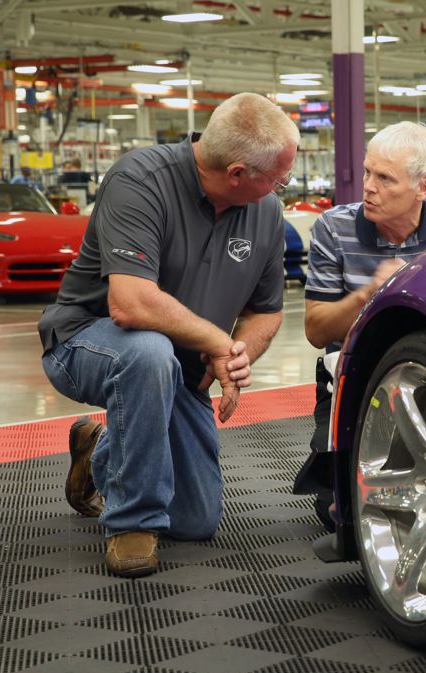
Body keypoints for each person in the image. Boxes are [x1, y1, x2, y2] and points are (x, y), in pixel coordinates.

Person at [37, 93, 300, 578]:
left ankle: (101, 450)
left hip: (179, 368)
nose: (281, 187)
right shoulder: (140, 180)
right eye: (278, 178)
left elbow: (266, 312)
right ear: (237, 173)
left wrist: (237, 355)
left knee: (195, 521)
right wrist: (216, 341)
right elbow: (131, 304)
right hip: (86, 341)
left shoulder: (266, 213)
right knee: (148, 352)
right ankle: (132, 523)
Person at [292, 121, 426, 529]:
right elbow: (317, 331)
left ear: (424, 187)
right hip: (351, 379)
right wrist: (371, 295)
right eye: (367, 172)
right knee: (338, 513)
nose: (368, 188)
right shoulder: (334, 228)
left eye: (385, 178)